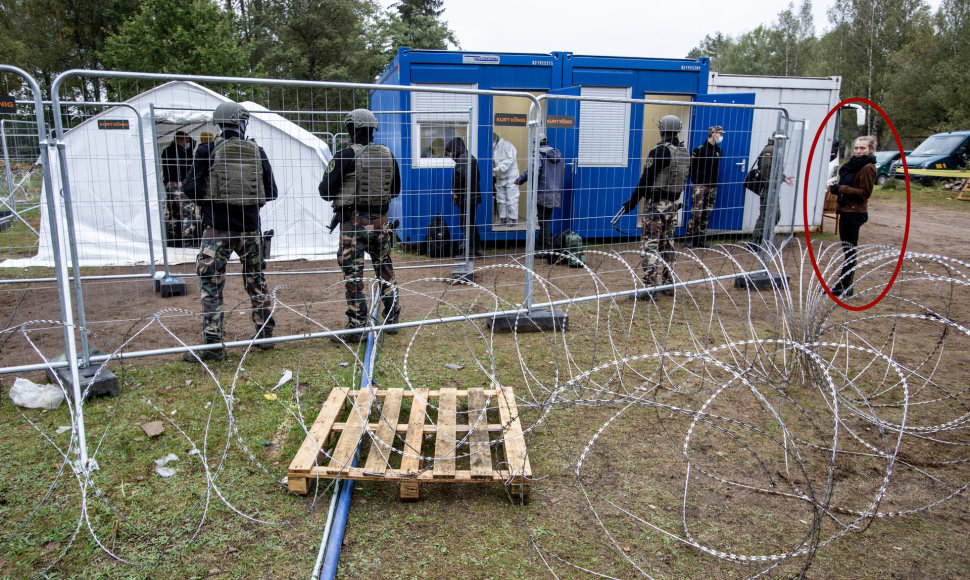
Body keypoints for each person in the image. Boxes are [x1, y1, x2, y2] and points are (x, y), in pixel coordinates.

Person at [182, 102, 278, 362]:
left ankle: (213, 343)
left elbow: (190, 188)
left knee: (211, 286)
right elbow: (272, 192)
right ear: (242, 123)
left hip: (218, 231)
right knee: (256, 281)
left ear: (219, 123)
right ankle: (266, 335)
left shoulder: (207, 149)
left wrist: (211, 195)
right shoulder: (257, 151)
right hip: (250, 229)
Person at [319, 108, 402, 341]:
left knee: (354, 276)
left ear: (350, 129)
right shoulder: (388, 155)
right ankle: (392, 317)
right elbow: (395, 190)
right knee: (385, 269)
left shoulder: (345, 156)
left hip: (353, 224)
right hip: (381, 223)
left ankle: (357, 326)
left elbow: (325, 191)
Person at [617, 115, 689, 294]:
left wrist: (633, 201)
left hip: (657, 204)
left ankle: (650, 287)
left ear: (661, 129)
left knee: (650, 245)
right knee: (668, 245)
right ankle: (668, 283)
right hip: (673, 204)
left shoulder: (659, 151)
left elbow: (646, 180)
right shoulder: (683, 152)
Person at [828, 135, 877, 297]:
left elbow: (864, 193)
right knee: (847, 250)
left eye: (863, 148)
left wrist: (840, 189)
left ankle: (845, 286)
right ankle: (843, 284)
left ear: (870, 150)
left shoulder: (867, 167)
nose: (858, 151)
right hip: (847, 210)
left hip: (855, 212)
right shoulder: (852, 166)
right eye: (856, 148)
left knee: (850, 251)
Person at [514, 133, 563, 262]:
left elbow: (533, 170)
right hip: (555, 191)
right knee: (546, 218)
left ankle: (543, 248)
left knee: (543, 221)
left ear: (536, 143)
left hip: (542, 191)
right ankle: (542, 243)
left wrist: (519, 180)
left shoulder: (538, 154)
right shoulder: (557, 154)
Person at [748, 135, 795, 249]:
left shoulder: (774, 150)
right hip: (768, 189)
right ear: (778, 138)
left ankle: (762, 240)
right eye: (783, 140)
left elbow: (774, 170)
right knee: (766, 215)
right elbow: (765, 170)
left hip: (772, 188)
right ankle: (755, 242)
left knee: (773, 215)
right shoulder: (769, 150)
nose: (783, 143)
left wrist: (783, 178)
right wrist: (770, 186)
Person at [445, 136, 484, 258]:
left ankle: (469, 251)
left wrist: (455, 191)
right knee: (471, 222)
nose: (450, 154)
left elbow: (460, 176)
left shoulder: (462, 160)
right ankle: (477, 249)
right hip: (474, 196)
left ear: (455, 149)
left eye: (450, 151)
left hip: (465, 197)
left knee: (465, 223)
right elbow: (478, 176)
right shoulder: (471, 158)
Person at [686, 125, 723, 249]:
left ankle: (701, 239)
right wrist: (694, 181)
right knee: (697, 212)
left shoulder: (718, 150)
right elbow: (691, 167)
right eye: (720, 134)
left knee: (707, 213)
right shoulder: (699, 150)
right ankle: (690, 238)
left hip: (712, 185)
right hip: (700, 185)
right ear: (714, 134)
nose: (721, 136)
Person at [160, 130, 198, 245]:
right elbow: (187, 167)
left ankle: (173, 241)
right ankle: (187, 241)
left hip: (169, 186)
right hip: (180, 186)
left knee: (174, 215)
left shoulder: (166, 151)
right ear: (180, 140)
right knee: (188, 213)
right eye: (186, 140)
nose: (187, 143)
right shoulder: (180, 153)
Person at [492, 132, 520, 226]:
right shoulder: (494, 148)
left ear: (495, 140)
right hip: (500, 177)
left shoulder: (507, 146)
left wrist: (497, 168)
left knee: (511, 198)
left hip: (511, 176)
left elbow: (510, 160)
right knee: (500, 199)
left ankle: (513, 219)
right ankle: (503, 218)